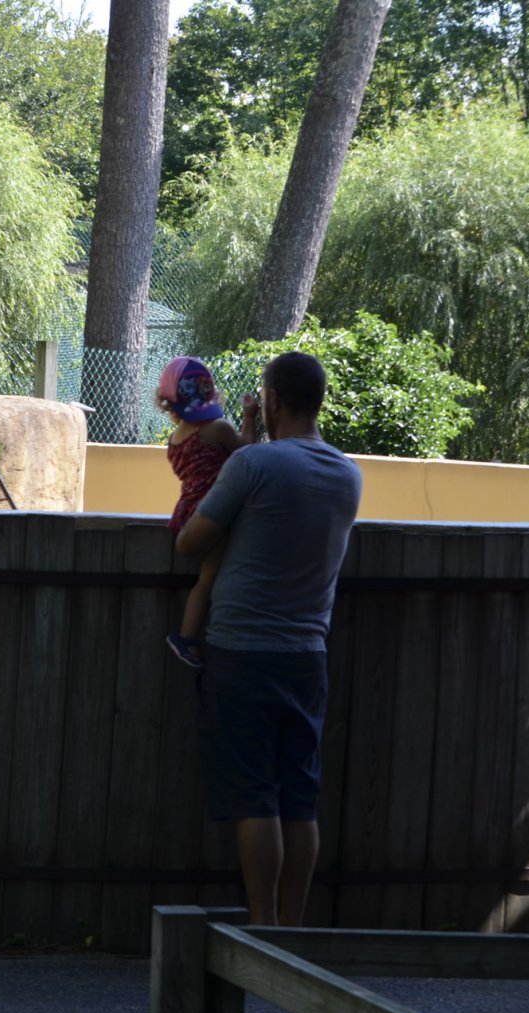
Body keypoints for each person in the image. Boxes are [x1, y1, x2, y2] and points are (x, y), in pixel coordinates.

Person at [175, 351, 362, 927]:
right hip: (309, 655)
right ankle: (295, 934)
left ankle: (262, 930)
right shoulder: (347, 474)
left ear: (273, 399)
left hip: (241, 653)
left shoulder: (253, 468)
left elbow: (191, 542)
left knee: (255, 796)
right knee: (299, 800)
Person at [156, 356, 260, 668]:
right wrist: (250, 416)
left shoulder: (174, 440)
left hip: (188, 513)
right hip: (212, 513)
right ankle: (186, 636)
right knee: (209, 578)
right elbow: (247, 452)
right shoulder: (218, 430)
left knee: (209, 576)